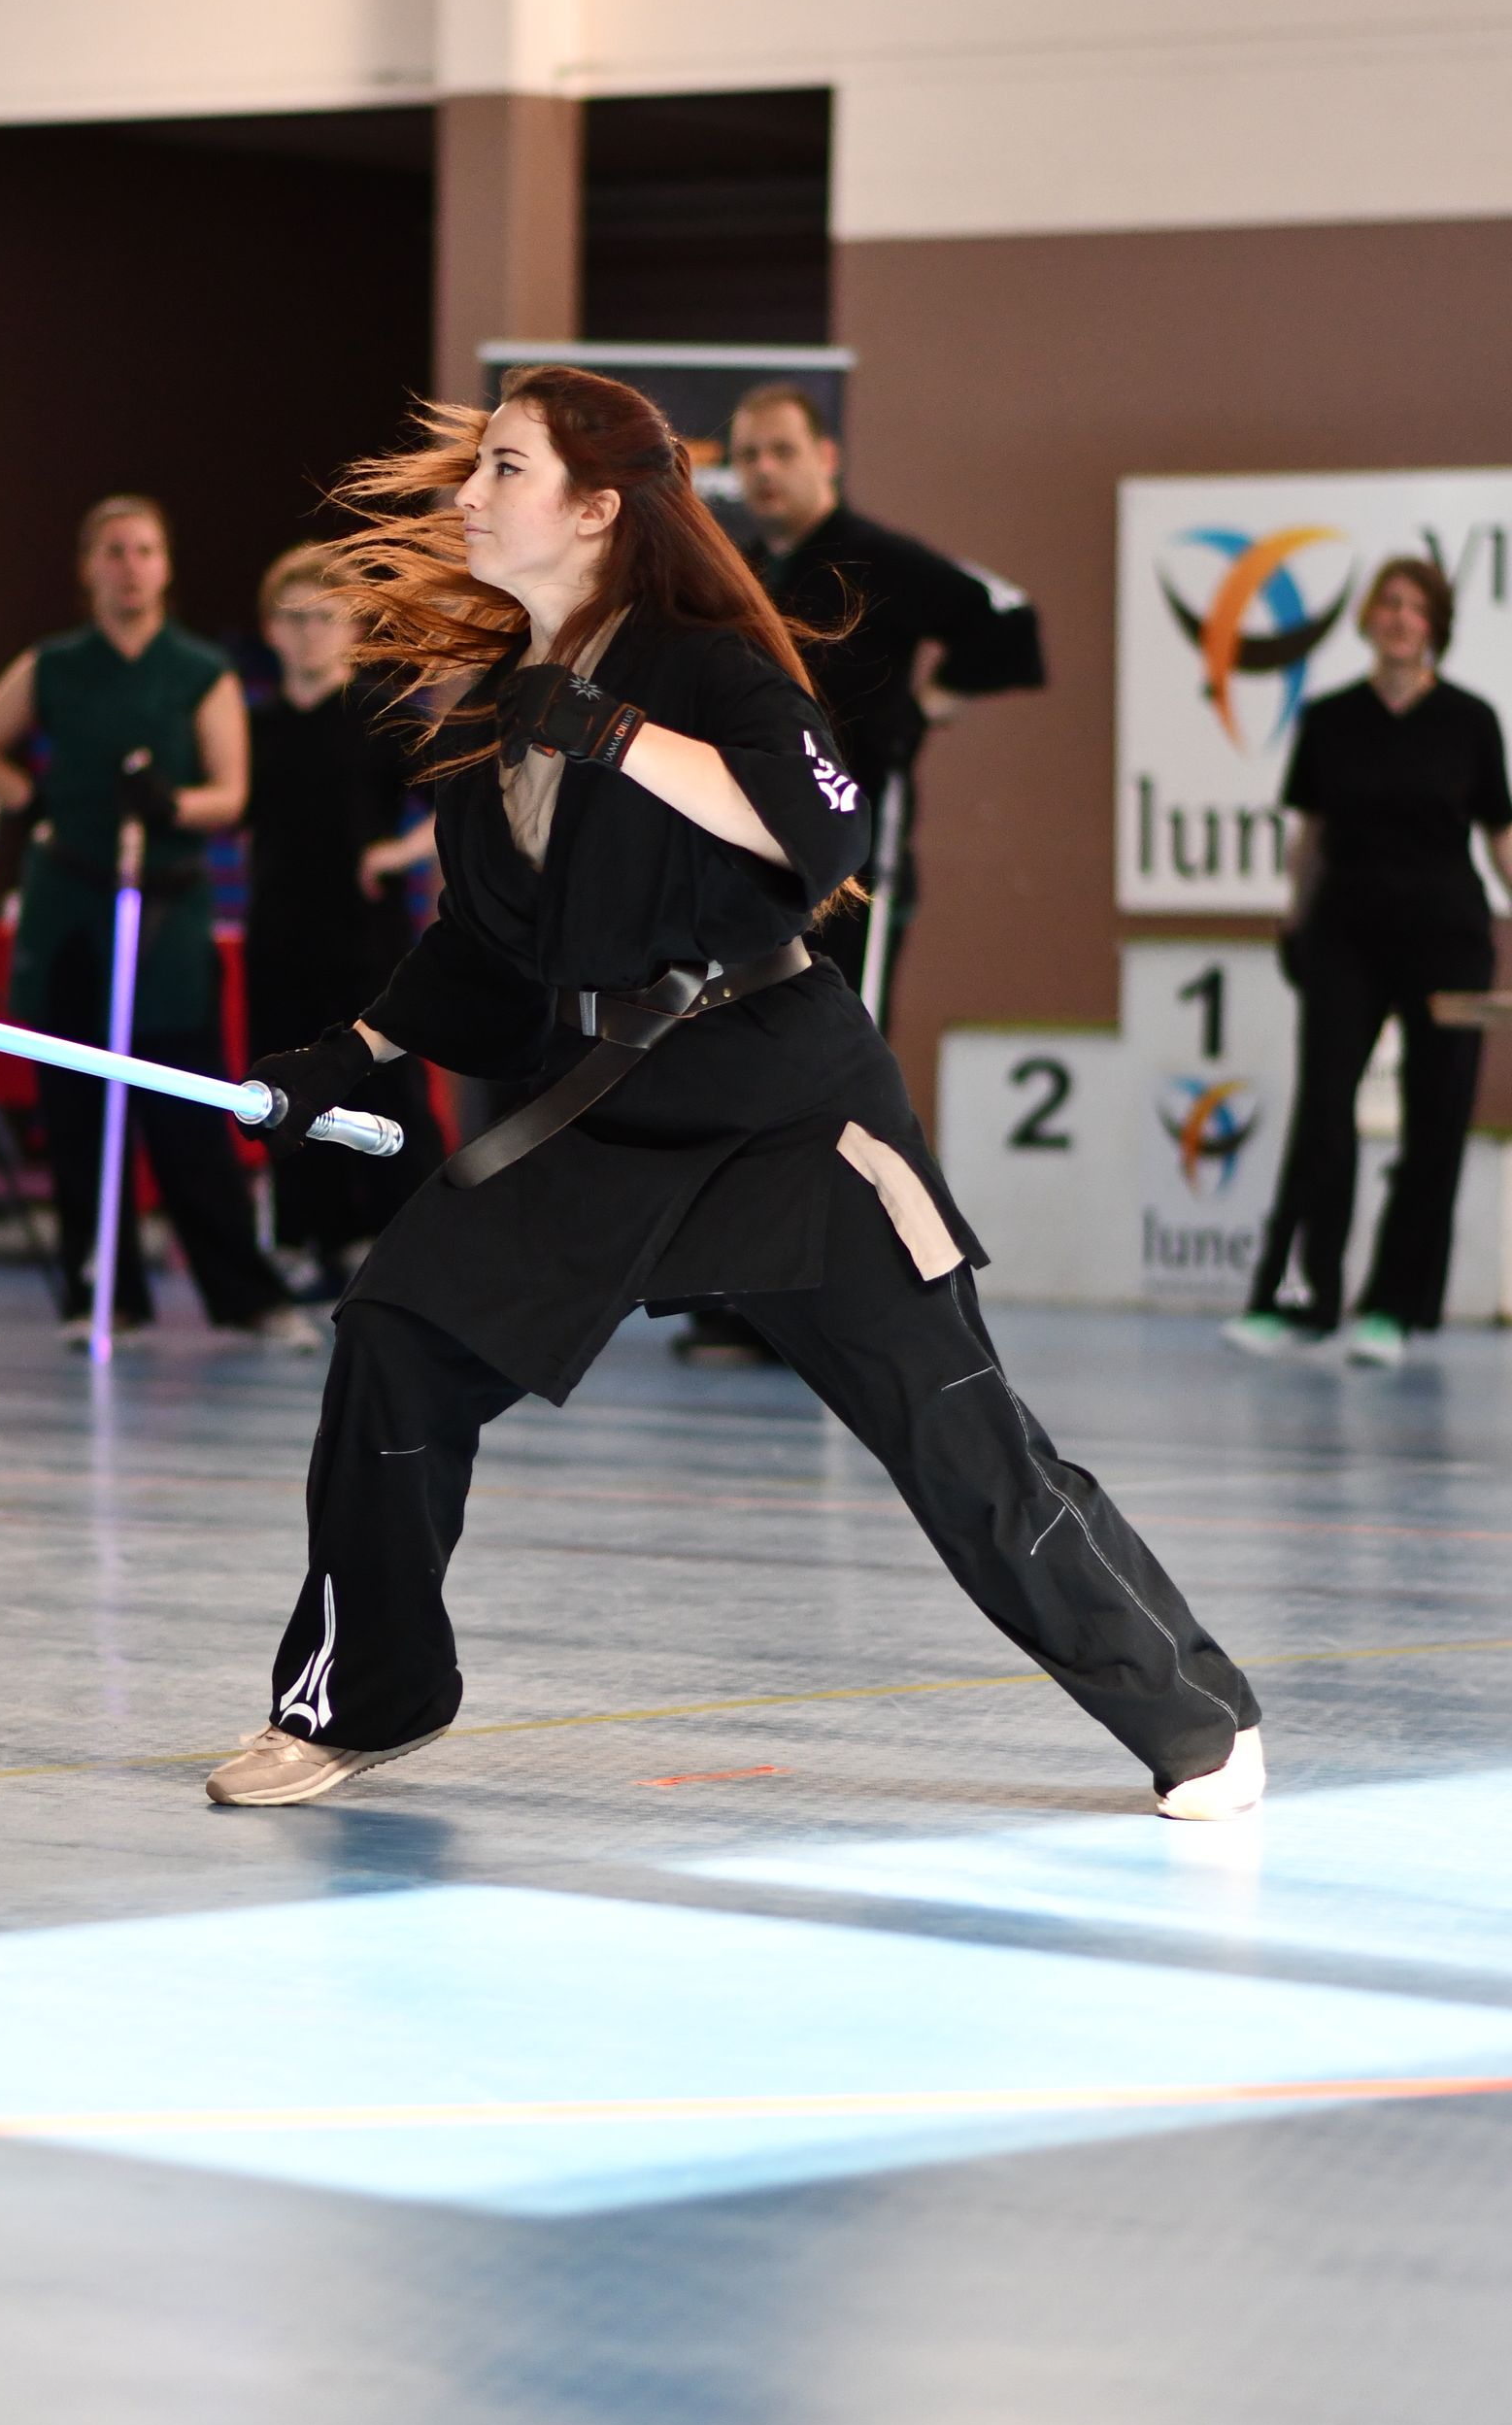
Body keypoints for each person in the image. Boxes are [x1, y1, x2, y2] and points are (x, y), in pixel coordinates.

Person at [204, 365, 1262, 1823]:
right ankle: (364, 1697)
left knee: (960, 1440)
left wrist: (615, 733)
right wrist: (352, 1054)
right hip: (605, 1109)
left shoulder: (705, 666)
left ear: (595, 509)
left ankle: (1194, 1718)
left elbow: (824, 832)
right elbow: (487, 951)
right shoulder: (496, 711)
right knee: (396, 1338)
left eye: (503, 468)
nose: (470, 495)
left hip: (789, 1108)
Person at [672, 380, 1047, 1365]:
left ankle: (883, 1297)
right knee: (753, 1067)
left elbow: (1009, 622)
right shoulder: (744, 570)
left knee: (841, 1077)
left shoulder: (879, 558)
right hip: (756, 866)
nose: (764, 472)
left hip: (854, 866)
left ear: (826, 458)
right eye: (748, 456)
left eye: (782, 452)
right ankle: (758, 1295)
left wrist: (927, 707)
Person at [0, 493, 315, 1347]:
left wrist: (170, 803)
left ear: (166, 566)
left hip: (165, 906)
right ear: (88, 568)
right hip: (72, 902)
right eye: (113, 551)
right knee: (75, 1106)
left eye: (145, 550)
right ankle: (102, 1294)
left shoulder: (199, 671)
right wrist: (34, 801)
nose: (130, 567)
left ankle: (244, 1298)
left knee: (185, 1105)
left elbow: (232, 793)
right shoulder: (54, 664)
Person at [1226, 556, 1512, 1367]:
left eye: (1416, 607)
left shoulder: (1470, 720)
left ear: (1435, 626)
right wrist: (1295, 918)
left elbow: (1500, 836)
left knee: (1436, 1120)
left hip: (1448, 942)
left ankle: (1393, 1308)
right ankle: (1302, 1299)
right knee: (1324, 1110)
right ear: (1368, 618)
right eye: (1388, 603)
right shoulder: (1329, 718)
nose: (1399, 617)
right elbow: (1310, 836)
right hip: (1345, 936)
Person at [245, 545, 445, 1296]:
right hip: (279, 936)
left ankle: (409, 1243)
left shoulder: (381, 715)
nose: (308, 634)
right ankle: (311, 1241)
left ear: (353, 627)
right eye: (293, 619)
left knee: (386, 1085)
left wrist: (396, 854)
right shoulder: (256, 726)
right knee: (286, 1087)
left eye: (323, 618)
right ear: (271, 628)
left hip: (366, 941)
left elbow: (457, 804)